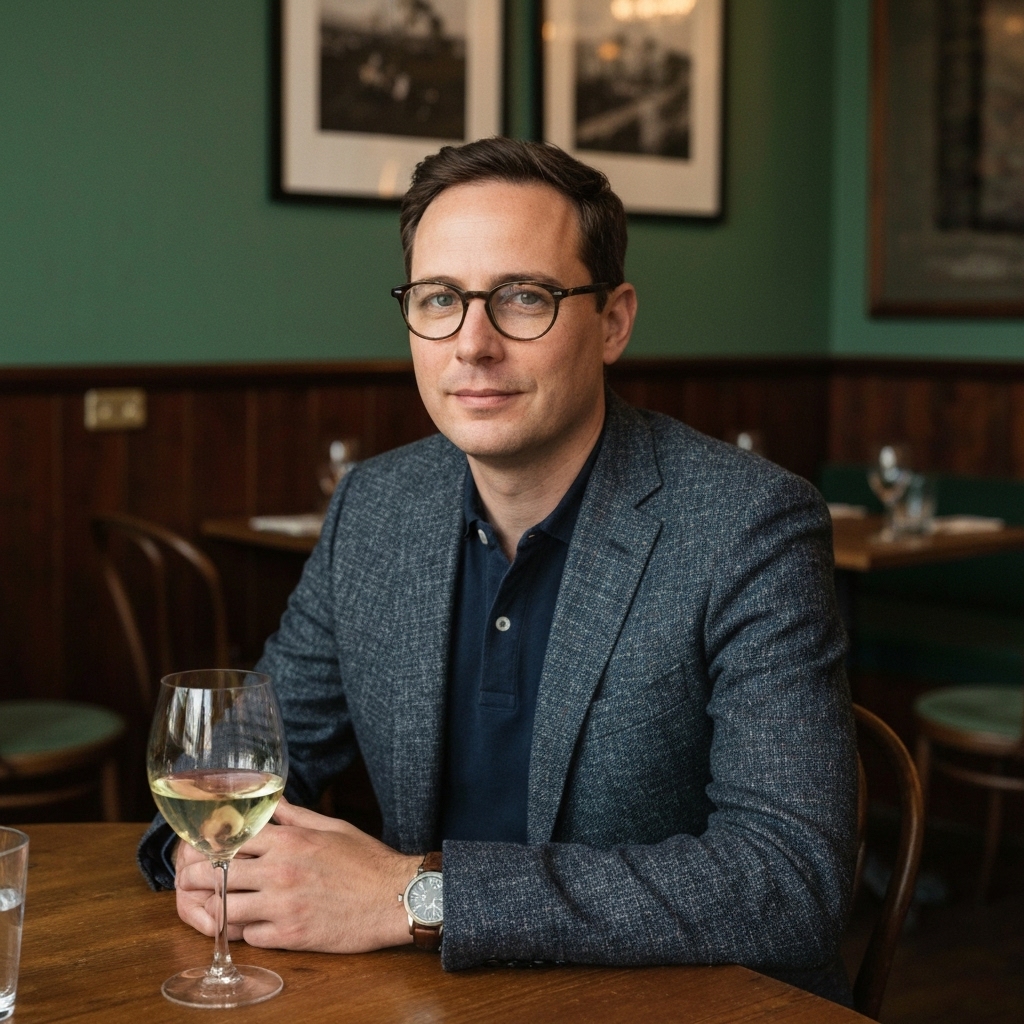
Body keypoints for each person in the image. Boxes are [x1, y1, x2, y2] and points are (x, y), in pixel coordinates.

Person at [139, 137, 857, 1003]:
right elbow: (242, 755)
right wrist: (199, 849)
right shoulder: (376, 507)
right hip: (435, 1000)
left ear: (615, 320)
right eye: (440, 298)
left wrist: (416, 897)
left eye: (525, 297)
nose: (471, 344)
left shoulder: (748, 525)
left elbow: (790, 880)